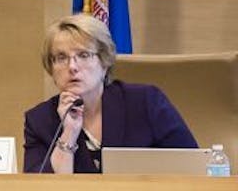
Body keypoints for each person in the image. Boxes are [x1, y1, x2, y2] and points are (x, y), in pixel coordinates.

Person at [23, 13, 197, 174]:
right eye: (61, 58)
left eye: (83, 55)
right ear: (51, 68)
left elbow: (195, 168)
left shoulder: (145, 103)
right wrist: (68, 133)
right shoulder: (40, 121)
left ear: (104, 62)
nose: (72, 67)